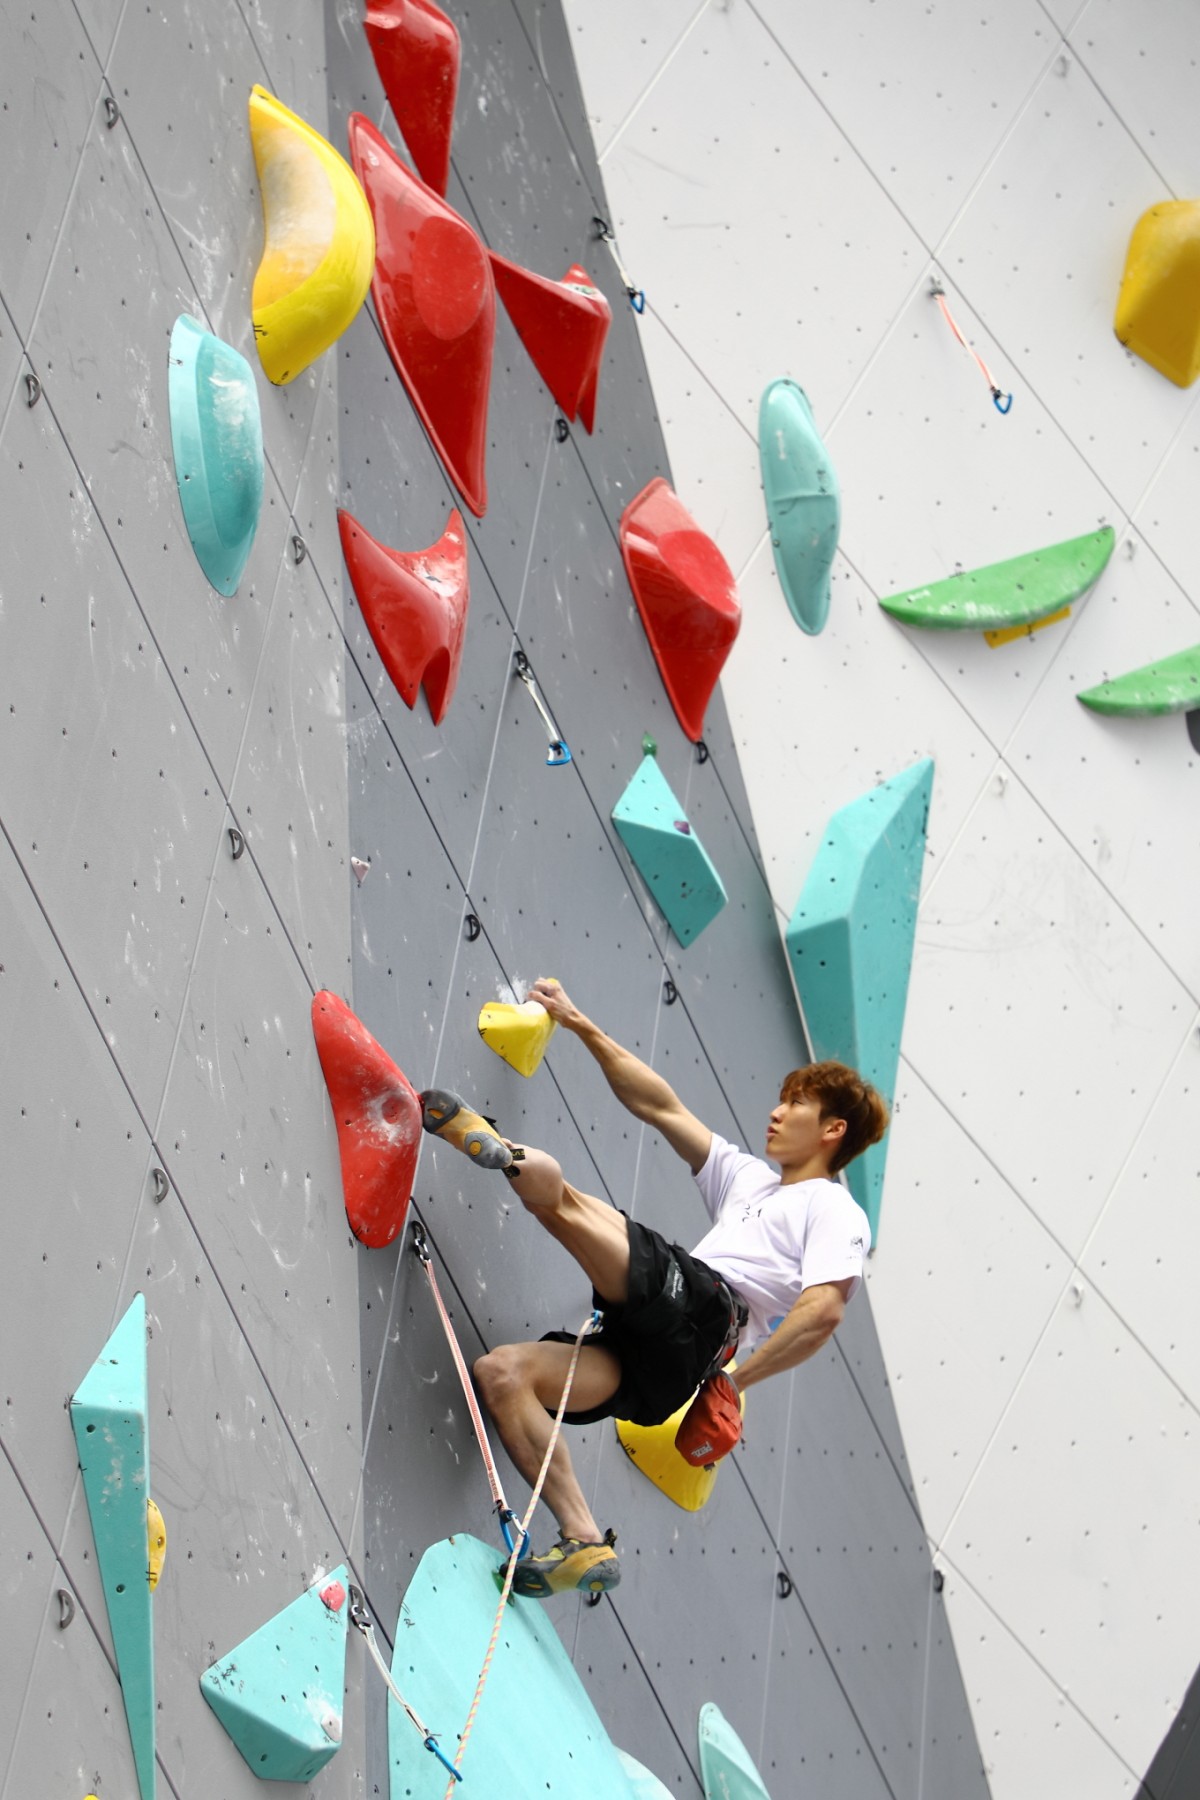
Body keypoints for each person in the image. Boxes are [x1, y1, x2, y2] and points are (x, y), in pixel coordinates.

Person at [420, 977, 888, 1599]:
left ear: (832, 1131)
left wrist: (737, 1381)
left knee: (568, 1207)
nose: (776, 1112)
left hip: (706, 1314)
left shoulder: (833, 1209)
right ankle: (583, 1535)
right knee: (503, 1376)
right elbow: (660, 1105)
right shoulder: (748, 1179)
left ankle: (506, 1153)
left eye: (796, 1104)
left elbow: (823, 1310)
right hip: (663, 1364)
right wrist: (580, 1023)